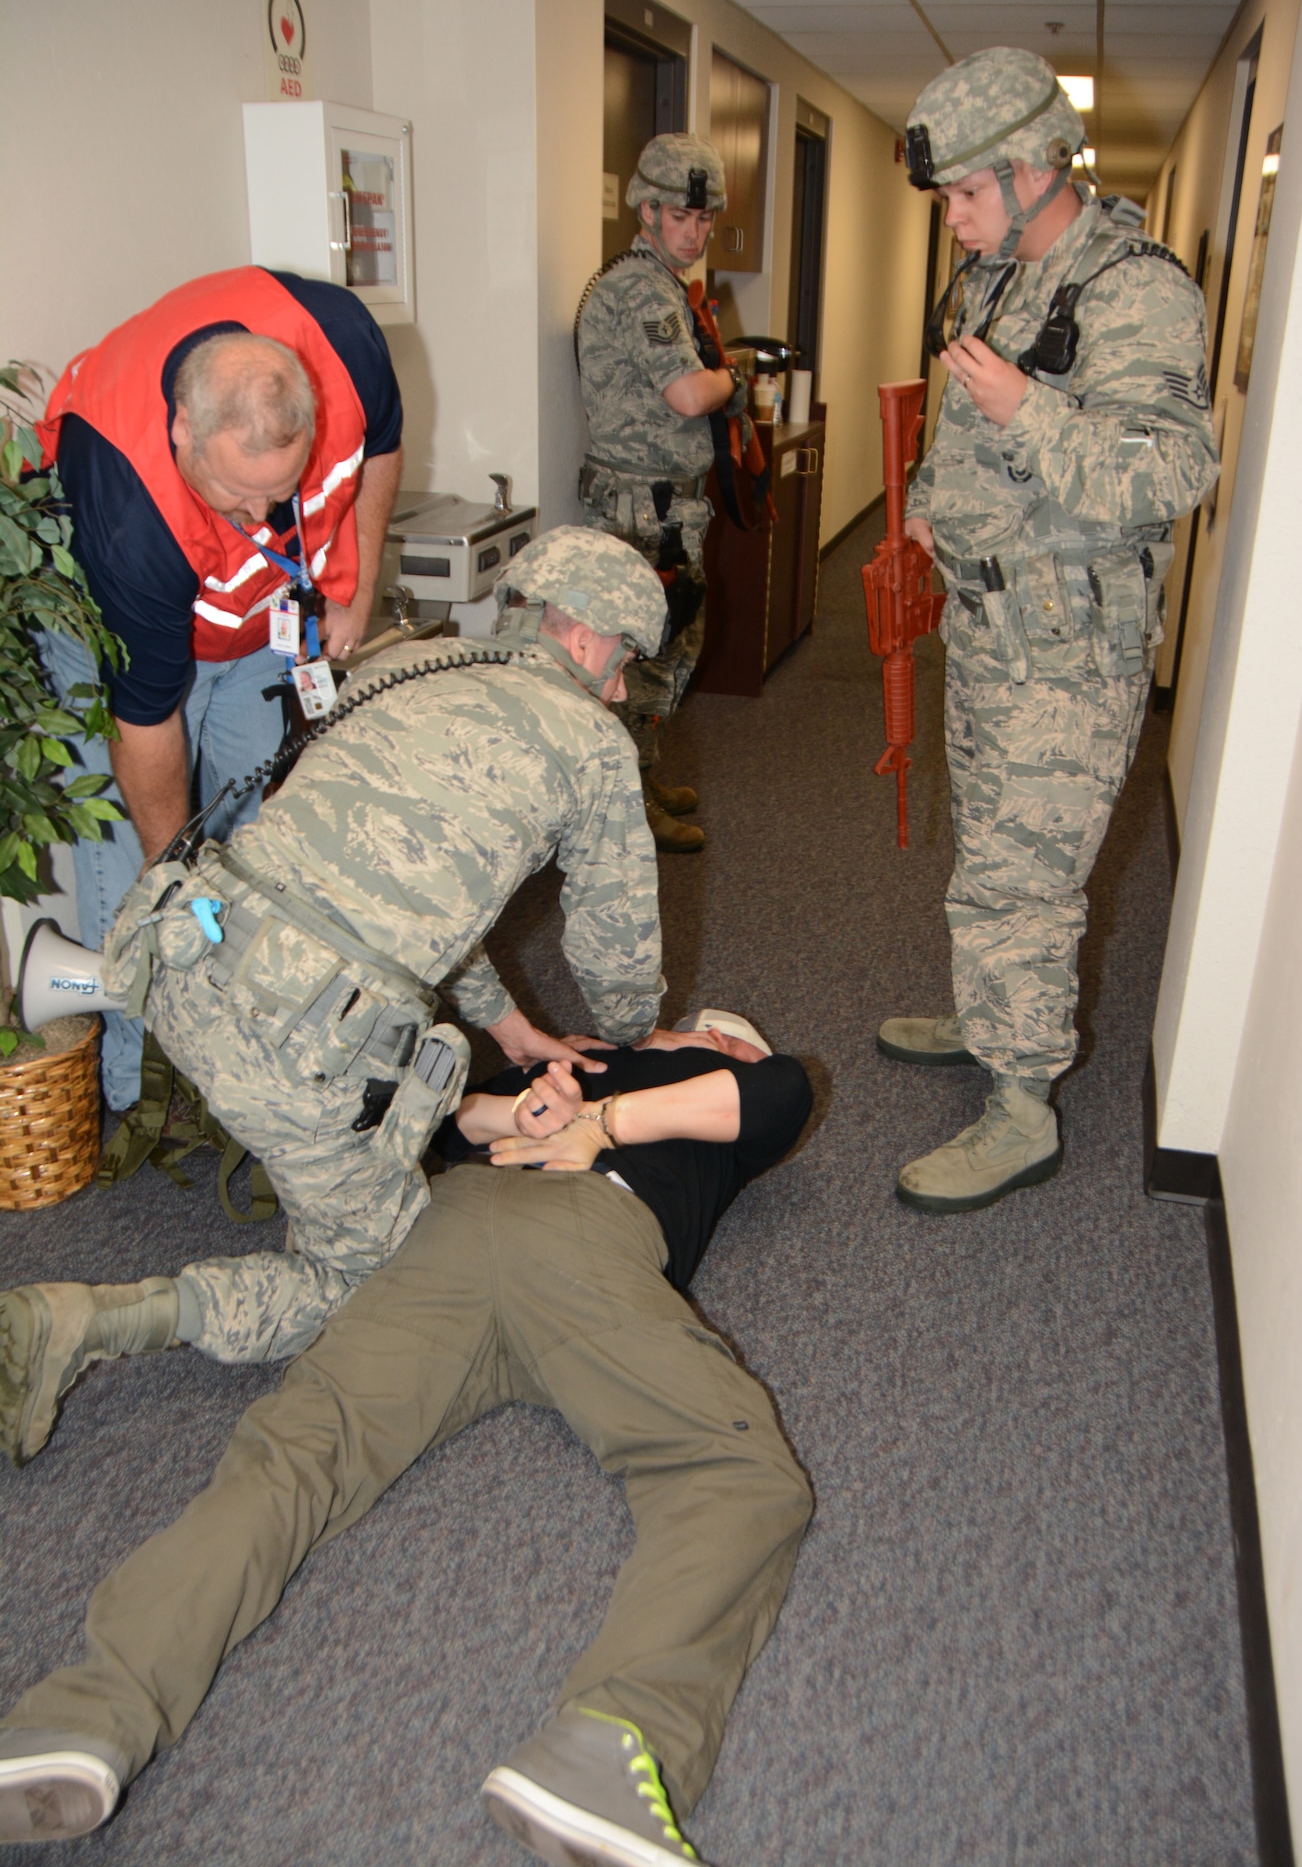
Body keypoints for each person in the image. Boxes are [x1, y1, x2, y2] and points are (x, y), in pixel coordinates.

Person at [0, 1014, 814, 1867]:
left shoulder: (709, 1100)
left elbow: (773, 1094)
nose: (690, 1029)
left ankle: (83, 1714)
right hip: (548, 1236)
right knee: (735, 1475)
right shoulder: (582, 1062)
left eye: (711, 1032)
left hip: (475, 1244)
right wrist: (529, 1110)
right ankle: (612, 1749)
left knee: (301, 1454)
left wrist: (595, 1124)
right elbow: (452, 1122)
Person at [0, 528, 672, 1464]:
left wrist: (506, 1024)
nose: (616, 689)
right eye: (625, 663)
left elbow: (406, 886)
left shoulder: (409, 663)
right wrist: (640, 1037)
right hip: (295, 1053)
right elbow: (615, 956)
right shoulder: (595, 746)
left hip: (183, 971)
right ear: (595, 640)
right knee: (375, 1276)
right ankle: (90, 1319)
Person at [877, 48, 1219, 1214]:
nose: (954, 220)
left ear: (1033, 171)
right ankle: (992, 1018)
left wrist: (1031, 411)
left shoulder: (1135, 288)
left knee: (1029, 882)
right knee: (991, 851)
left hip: (1067, 650)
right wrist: (928, 509)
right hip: (985, 627)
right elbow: (958, 425)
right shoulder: (994, 271)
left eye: (967, 195)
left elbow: (1172, 468)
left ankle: (1021, 1107)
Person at [34, 268, 405, 1111]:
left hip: (250, 620)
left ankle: (232, 1069)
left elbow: (380, 446)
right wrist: (176, 875)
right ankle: (141, 1094)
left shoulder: (344, 341)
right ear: (182, 431)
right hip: (129, 629)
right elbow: (146, 722)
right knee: (142, 867)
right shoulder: (125, 501)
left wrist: (357, 582)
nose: (258, 518)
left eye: (279, 493)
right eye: (236, 494)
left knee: (248, 835)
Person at [576, 134, 747, 853]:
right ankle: (628, 808)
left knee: (661, 650)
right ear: (645, 210)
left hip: (661, 502)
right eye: (682, 216)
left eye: (705, 220)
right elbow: (685, 393)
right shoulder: (641, 289)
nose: (696, 231)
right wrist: (732, 378)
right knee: (647, 660)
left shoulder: (658, 282)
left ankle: (641, 780)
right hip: (644, 508)